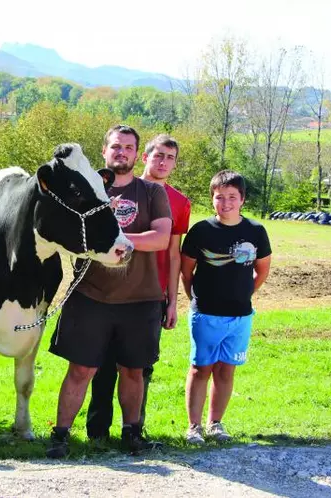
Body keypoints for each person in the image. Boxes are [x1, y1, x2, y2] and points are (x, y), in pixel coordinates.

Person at [46, 125, 172, 458]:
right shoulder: (87, 189)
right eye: (116, 146)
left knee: (133, 370)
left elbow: (161, 238)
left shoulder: (152, 193)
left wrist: (118, 242)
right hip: (90, 296)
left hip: (140, 299)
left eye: (129, 147)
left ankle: (132, 434)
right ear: (104, 151)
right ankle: (60, 437)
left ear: (136, 153)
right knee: (81, 370)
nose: (122, 152)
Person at [86, 134, 191, 444]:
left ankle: (134, 430)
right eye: (158, 155)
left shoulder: (179, 202)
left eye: (170, 158)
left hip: (150, 293)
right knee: (101, 365)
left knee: (138, 366)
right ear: (144, 157)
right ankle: (97, 432)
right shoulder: (114, 188)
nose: (163, 162)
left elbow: (173, 253)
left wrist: (172, 301)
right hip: (105, 288)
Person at [180, 170, 272, 444]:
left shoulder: (255, 231)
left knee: (226, 370)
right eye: (220, 197)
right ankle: (194, 427)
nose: (226, 203)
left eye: (232, 197)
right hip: (206, 315)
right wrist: (195, 298)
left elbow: (262, 271)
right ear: (212, 200)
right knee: (201, 369)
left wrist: (245, 294)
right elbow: (187, 272)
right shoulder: (201, 231)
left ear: (242, 199)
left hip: (240, 316)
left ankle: (215, 424)